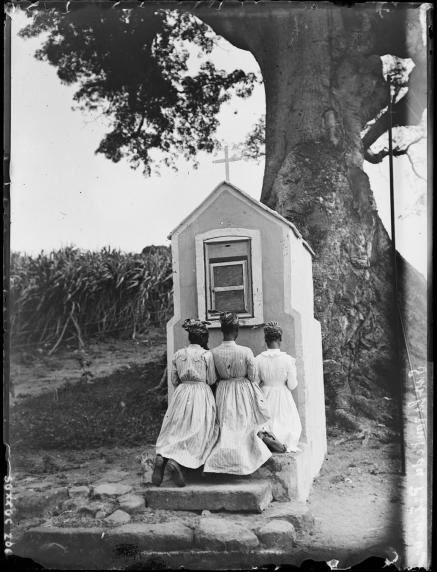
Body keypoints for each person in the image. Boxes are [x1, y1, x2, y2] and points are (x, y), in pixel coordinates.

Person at [152, 319, 218, 487]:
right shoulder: (206, 355)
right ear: (204, 338)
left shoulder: (178, 354)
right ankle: (178, 461)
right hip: (200, 393)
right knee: (198, 430)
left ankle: (162, 457)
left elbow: (174, 380)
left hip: (182, 393)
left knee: (175, 428)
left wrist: (184, 384)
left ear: (190, 338)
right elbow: (211, 379)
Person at [203, 312, 272, 475]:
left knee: (226, 426)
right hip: (242, 391)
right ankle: (242, 461)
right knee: (242, 425)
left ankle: (219, 461)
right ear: (236, 331)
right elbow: (254, 377)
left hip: (223, 391)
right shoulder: (246, 351)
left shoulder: (213, 353)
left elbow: (212, 378)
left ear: (222, 330)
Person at [255, 321, 302, 452]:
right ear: (280, 339)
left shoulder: (258, 359)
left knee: (266, 420)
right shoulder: (288, 360)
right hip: (282, 393)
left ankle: (268, 439)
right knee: (285, 420)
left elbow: (256, 381)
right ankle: (281, 442)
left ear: (266, 340)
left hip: (265, 393)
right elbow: (292, 386)